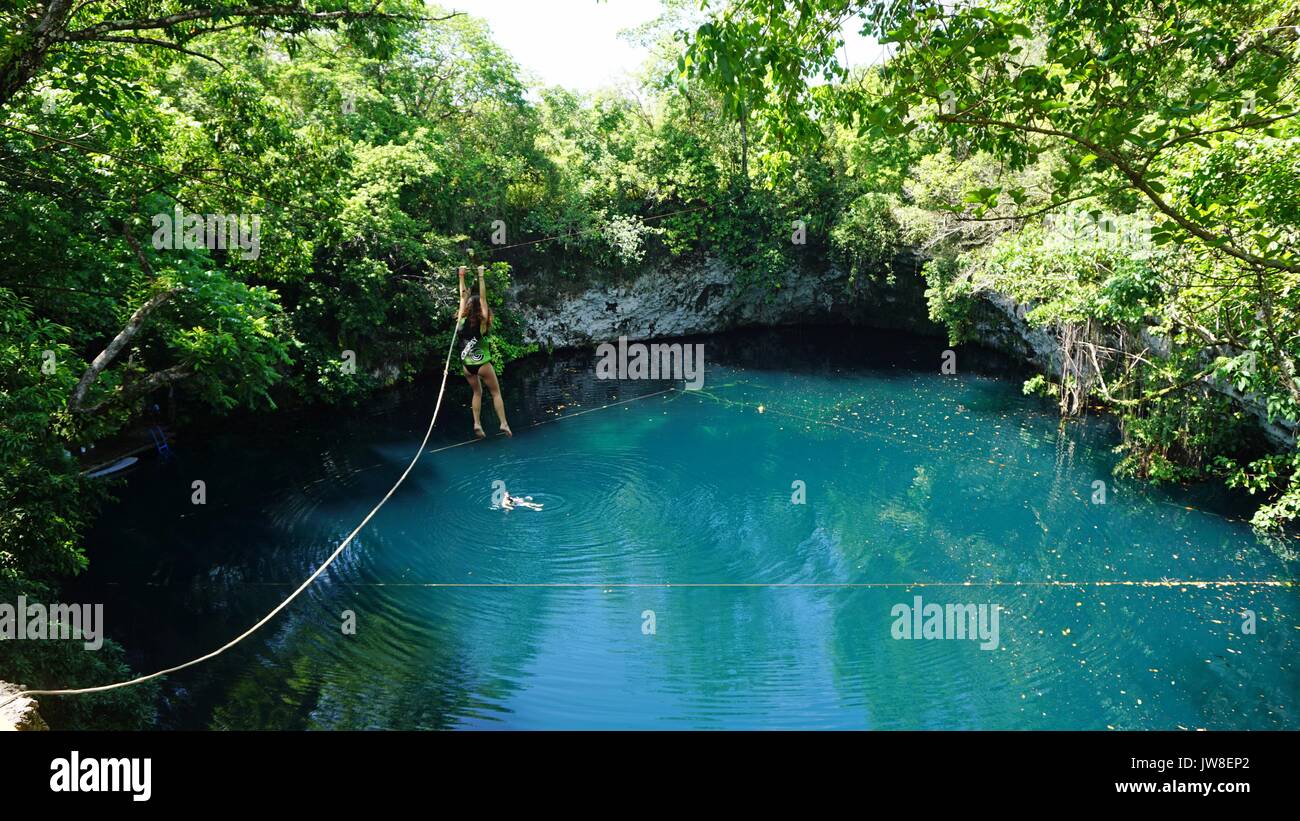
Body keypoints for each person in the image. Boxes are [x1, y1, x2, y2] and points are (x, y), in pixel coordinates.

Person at [457, 265, 511, 439]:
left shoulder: (460, 320)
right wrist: (481, 276)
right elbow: (483, 299)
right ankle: (503, 423)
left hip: (467, 365)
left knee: (477, 392)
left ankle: (477, 423)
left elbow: (462, 296)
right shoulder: (481, 323)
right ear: (479, 309)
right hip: (482, 364)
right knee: (495, 393)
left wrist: (461, 275)